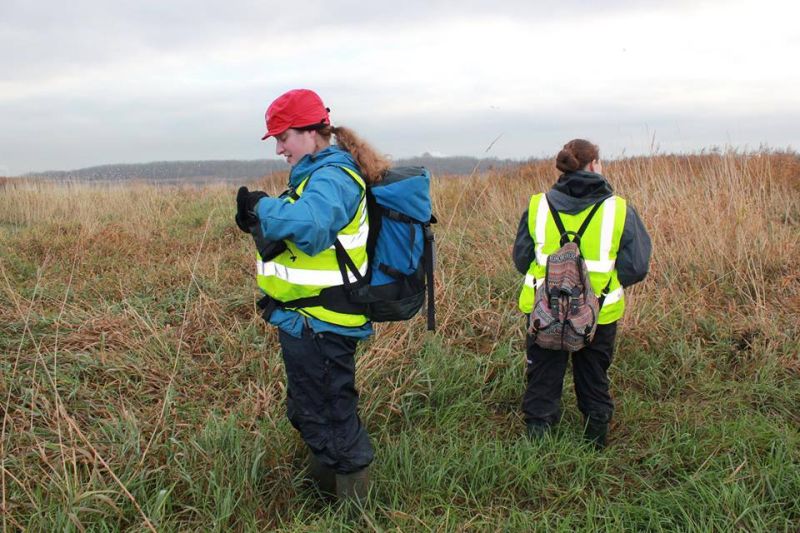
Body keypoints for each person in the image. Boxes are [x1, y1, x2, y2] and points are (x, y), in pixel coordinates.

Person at [235, 88, 390, 502]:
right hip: (305, 319)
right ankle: (319, 495)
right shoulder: (315, 173)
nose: (279, 149)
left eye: (283, 137)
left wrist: (262, 208)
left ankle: (354, 513)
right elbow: (305, 241)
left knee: (331, 416)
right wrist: (258, 220)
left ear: (310, 132)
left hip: (323, 321)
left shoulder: (333, 175)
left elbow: (313, 225)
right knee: (311, 410)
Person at [513, 139, 651, 448]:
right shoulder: (619, 209)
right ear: (593, 165)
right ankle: (594, 440)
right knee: (593, 373)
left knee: (543, 372)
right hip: (600, 312)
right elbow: (637, 267)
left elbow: (522, 258)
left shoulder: (538, 206)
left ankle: (538, 439)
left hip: (543, 308)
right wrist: (598, 290)